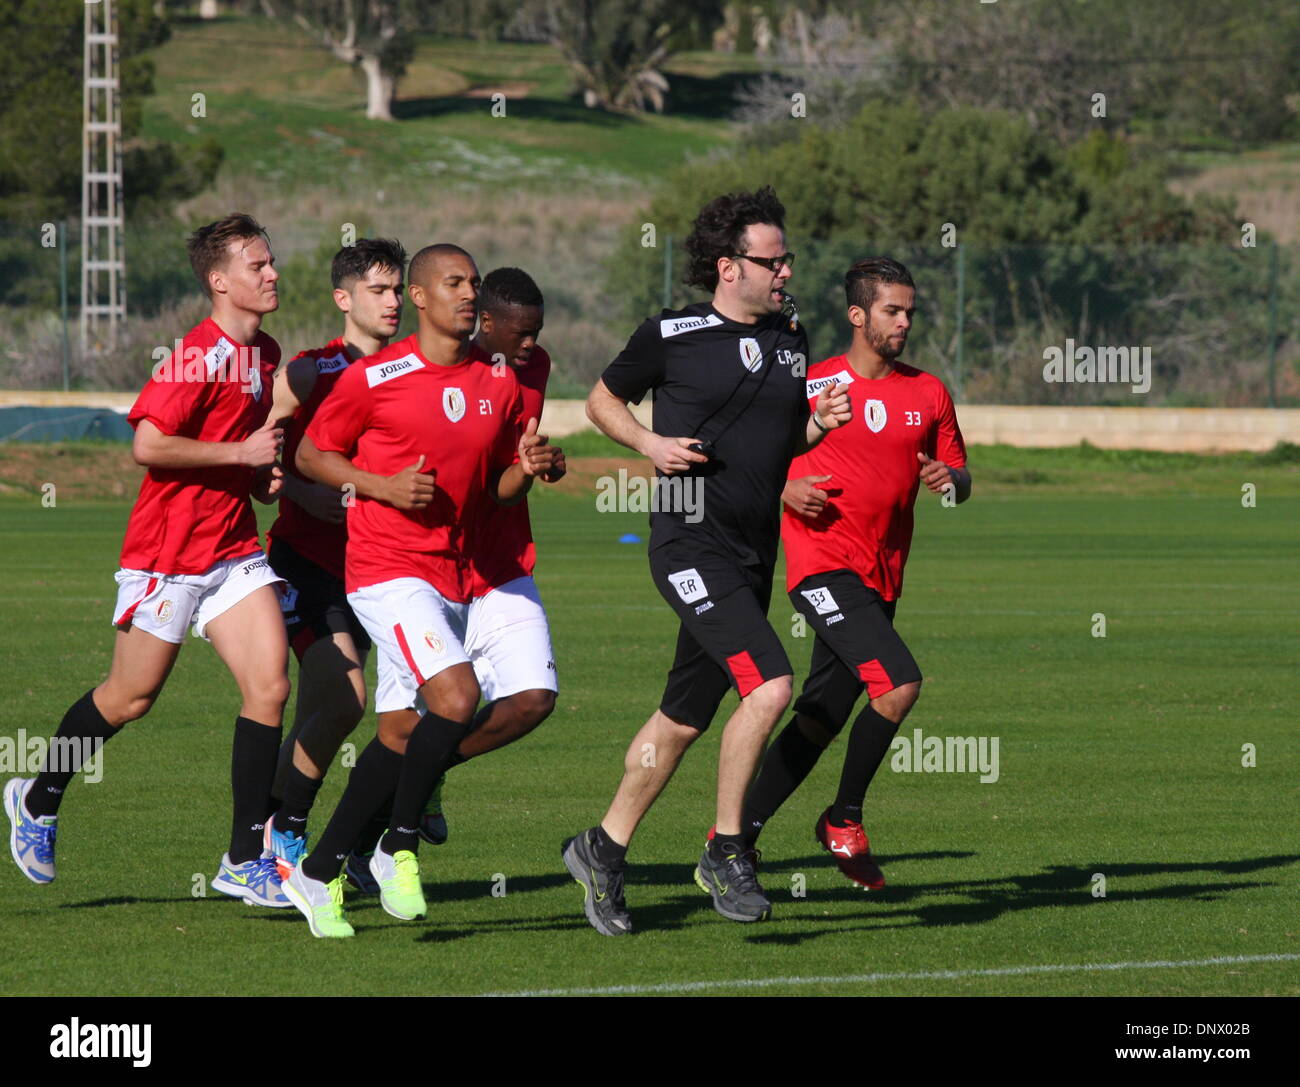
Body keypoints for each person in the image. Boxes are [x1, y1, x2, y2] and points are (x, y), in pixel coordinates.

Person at [563, 186, 851, 935]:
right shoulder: (672, 332)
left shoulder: (792, 337)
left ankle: (603, 846)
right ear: (729, 266)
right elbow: (599, 402)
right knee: (773, 683)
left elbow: (778, 446)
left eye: (787, 258)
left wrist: (818, 424)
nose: (785, 270)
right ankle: (727, 850)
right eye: (772, 259)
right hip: (689, 544)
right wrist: (650, 445)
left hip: (753, 552)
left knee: (684, 719)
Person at [5, 213, 292, 907]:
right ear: (220, 282)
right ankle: (38, 797)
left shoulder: (266, 352)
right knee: (129, 698)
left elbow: (242, 446)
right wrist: (241, 455)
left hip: (232, 549)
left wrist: (259, 477)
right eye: (257, 266)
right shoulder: (198, 355)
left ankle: (242, 857)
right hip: (168, 553)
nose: (272, 273)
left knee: (270, 686)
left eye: (271, 261)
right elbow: (149, 445)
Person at [280, 244, 560, 938]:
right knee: (458, 697)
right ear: (419, 296)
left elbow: (494, 489)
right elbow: (312, 454)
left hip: (454, 573)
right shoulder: (377, 375)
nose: (469, 292)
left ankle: (317, 873)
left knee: (408, 732)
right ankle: (399, 843)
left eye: (472, 281)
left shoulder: (497, 382)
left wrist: (527, 468)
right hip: (384, 569)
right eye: (455, 282)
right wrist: (379, 485)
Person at [742, 257, 971, 889]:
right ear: (857, 315)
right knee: (897, 685)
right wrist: (786, 487)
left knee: (822, 712)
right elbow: (749, 465)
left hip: (882, 577)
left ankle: (736, 838)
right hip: (822, 570)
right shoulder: (810, 386)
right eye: (893, 311)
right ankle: (843, 818)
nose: (904, 322)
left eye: (910, 312)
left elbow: (962, 475)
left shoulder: (928, 392)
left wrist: (951, 481)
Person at [341, 266, 565, 891]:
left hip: (500, 567)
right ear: (484, 324)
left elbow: (505, 473)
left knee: (532, 700)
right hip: (421, 569)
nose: (532, 346)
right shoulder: (410, 377)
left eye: (537, 334)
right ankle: (332, 853)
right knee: (399, 728)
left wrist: (540, 463)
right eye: (520, 333)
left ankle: (415, 791)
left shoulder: (529, 370)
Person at [259, 238, 407, 880]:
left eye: (398, 289)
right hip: (307, 566)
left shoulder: (415, 370)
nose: (393, 301)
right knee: (345, 703)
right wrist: (297, 488)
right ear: (343, 299)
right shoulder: (311, 371)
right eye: (379, 290)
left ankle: (267, 824)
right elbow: (255, 446)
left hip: (380, 568)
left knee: (346, 712)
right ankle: (285, 830)